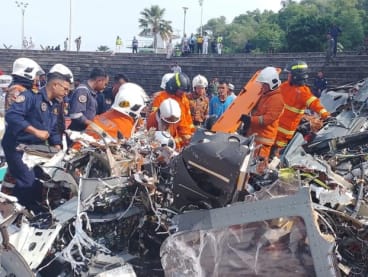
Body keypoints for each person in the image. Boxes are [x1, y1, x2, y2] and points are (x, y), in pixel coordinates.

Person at [1, 63, 73, 213]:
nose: (67, 93)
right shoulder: (30, 97)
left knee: (40, 179)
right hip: (17, 145)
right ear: (55, 85)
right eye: (65, 89)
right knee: (26, 180)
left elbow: (52, 129)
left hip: (35, 149)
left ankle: (28, 206)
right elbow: (12, 116)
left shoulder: (54, 104)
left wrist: (57, 145)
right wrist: (35, 131)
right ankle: (20, 211)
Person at [274, 61, 330, 154]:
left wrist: (326, 115)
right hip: (275, 126)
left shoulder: (304, 92)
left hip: (285, 133)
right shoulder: (285, 86)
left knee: (278, 154)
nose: (288, 76)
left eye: (290, 74)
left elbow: (315, 104)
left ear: (296, 76)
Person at [240, 67, 284, 162]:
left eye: (264, 85)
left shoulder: (277, 99)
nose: (262, 87)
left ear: (272, 84)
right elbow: (256, 112)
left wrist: (250, 120)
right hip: (255, 139)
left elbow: (268, 119)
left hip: (263, 143)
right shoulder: (265, 95)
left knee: (256, 168)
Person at [151, 72, 195, 147]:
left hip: (185, 142)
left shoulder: (184, 99)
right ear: (174, 87)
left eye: (184, 91)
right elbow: (156, 121)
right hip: (170, 142)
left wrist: (192, 134)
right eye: (181, 90)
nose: (183, 93)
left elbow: (188, 121)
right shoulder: (161, 98)